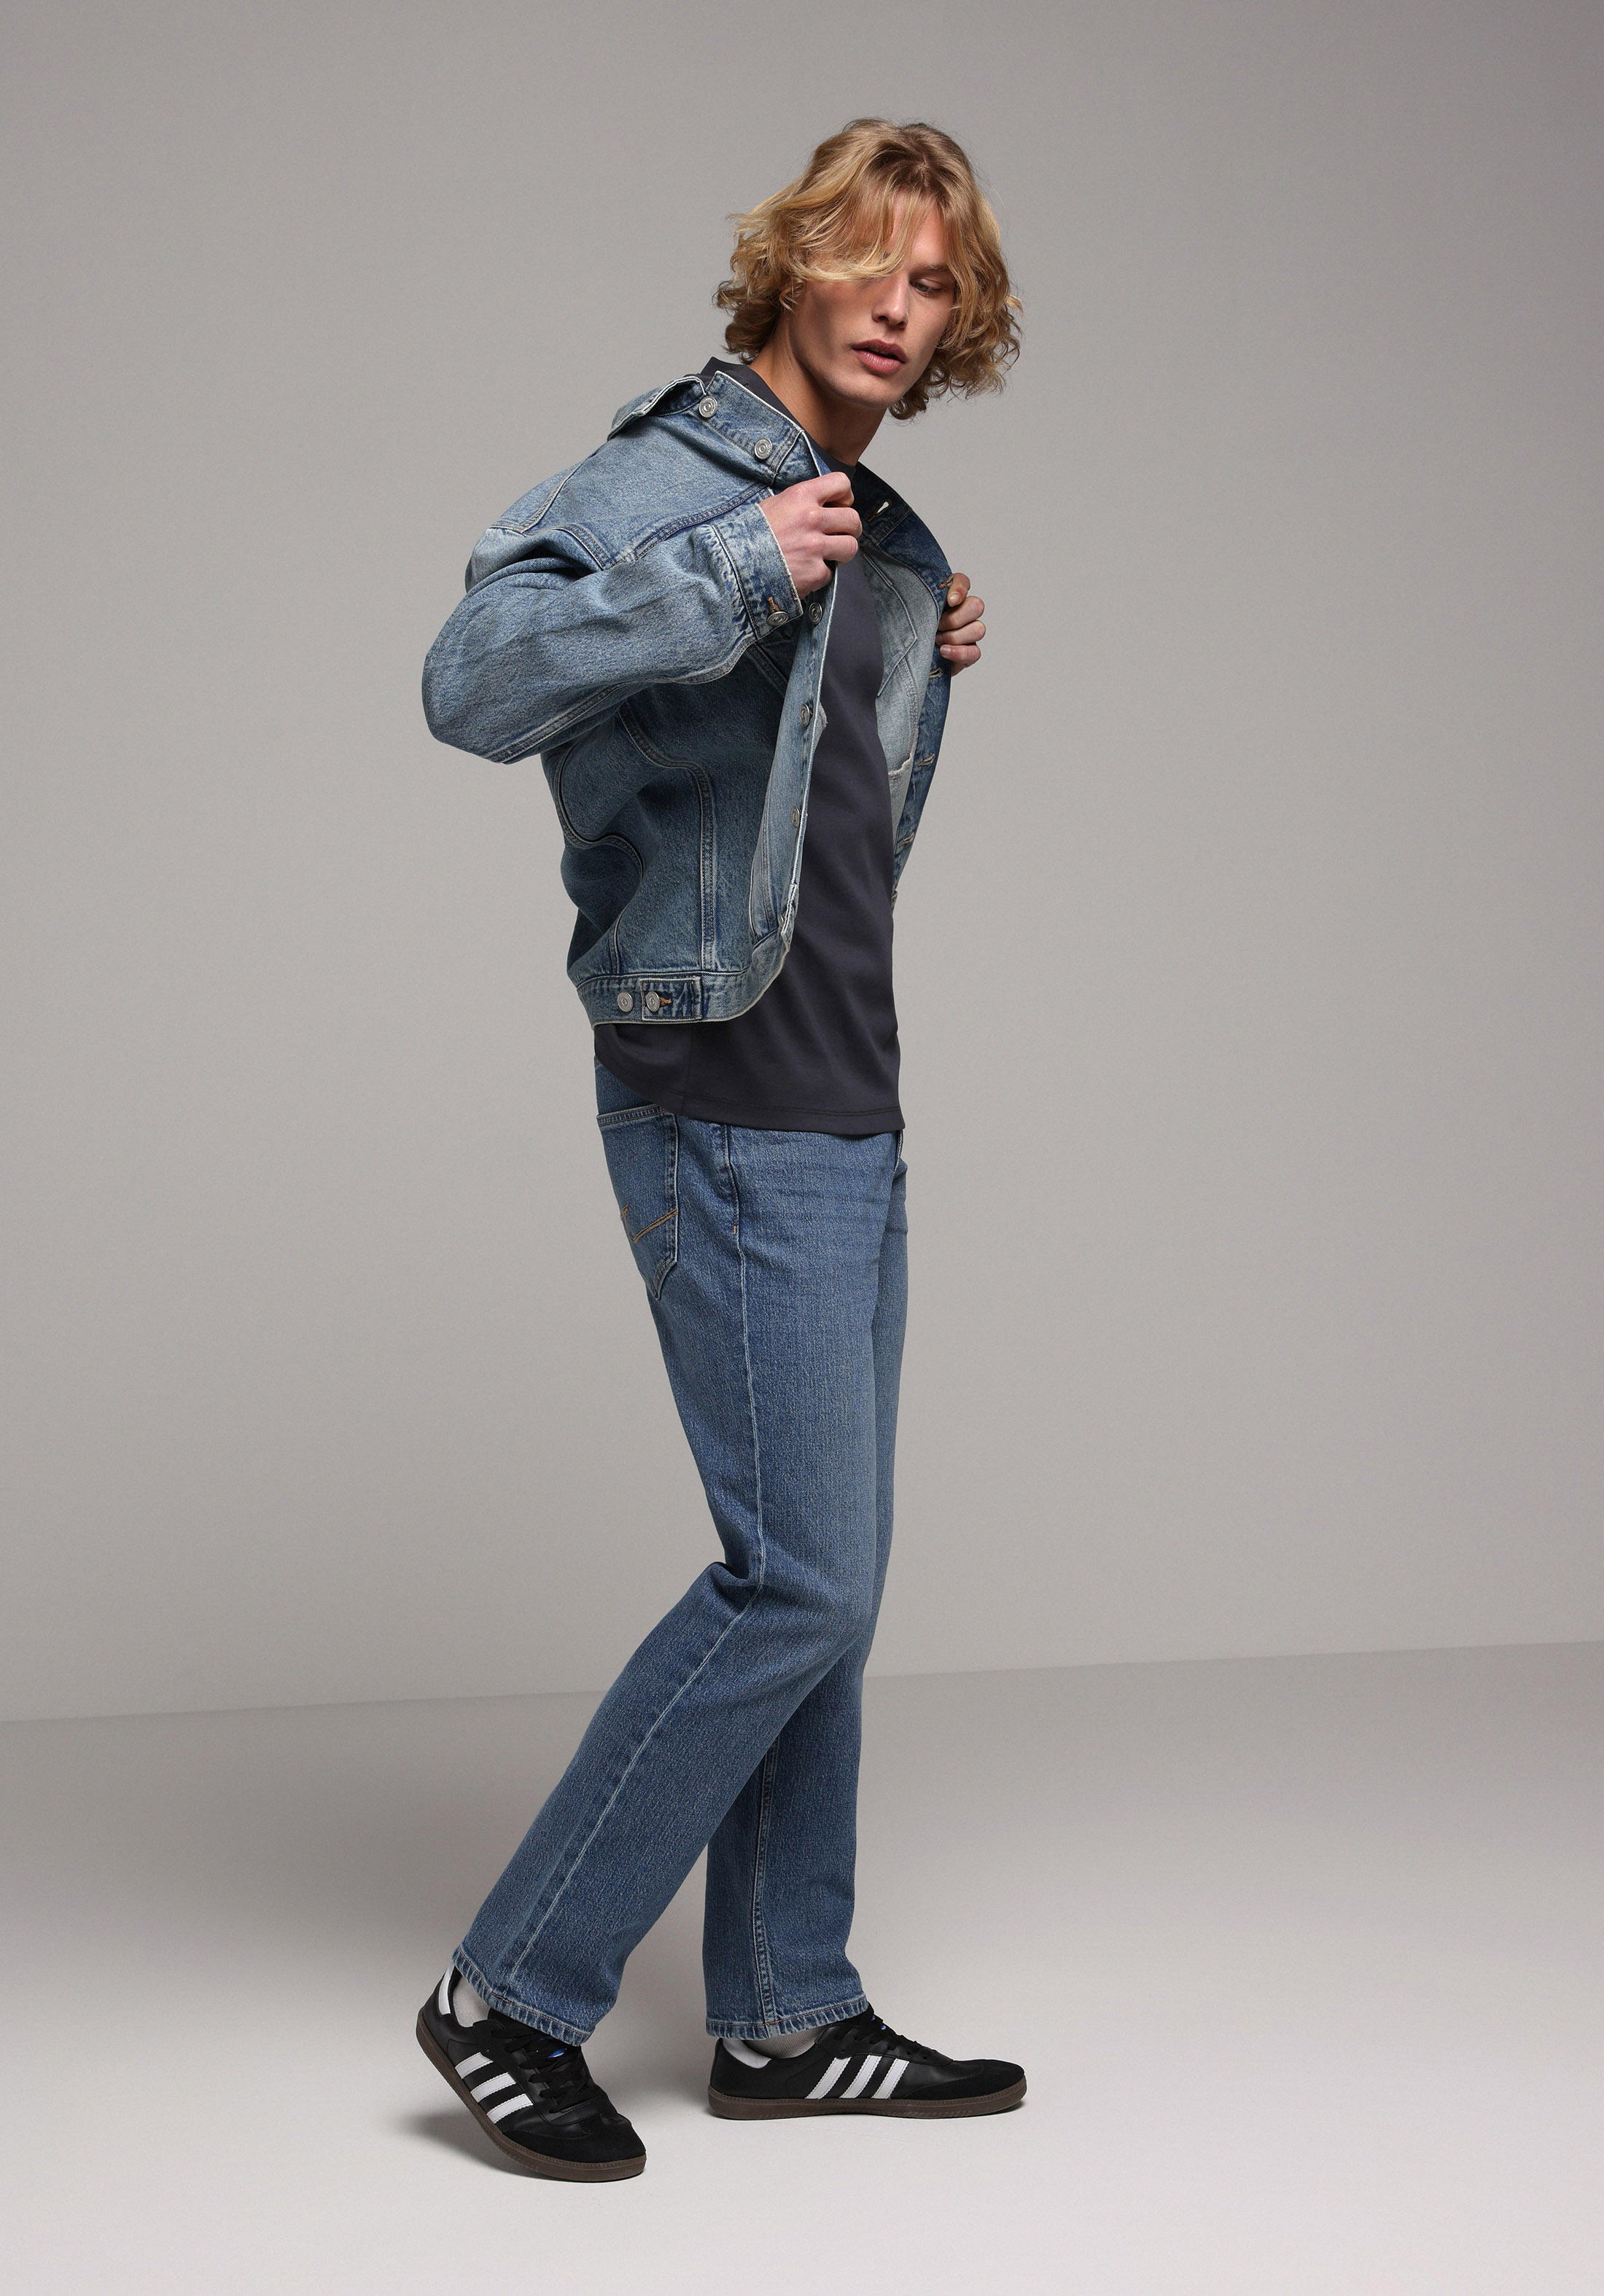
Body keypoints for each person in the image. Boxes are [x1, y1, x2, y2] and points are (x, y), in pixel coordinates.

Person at [416, 117, 1023, 2181]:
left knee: (831, 1591)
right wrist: (736, 572)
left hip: (848, 1093)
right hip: (723, 1088)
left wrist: (908, 635)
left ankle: (784, 2011)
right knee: (799, 1578)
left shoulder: (884, 527)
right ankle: (511, 1991)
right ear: (789, 261)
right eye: (867, 256)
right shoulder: (677, 479)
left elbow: (812, 827)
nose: (897, 304)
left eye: (935, 282)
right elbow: (472, 679)